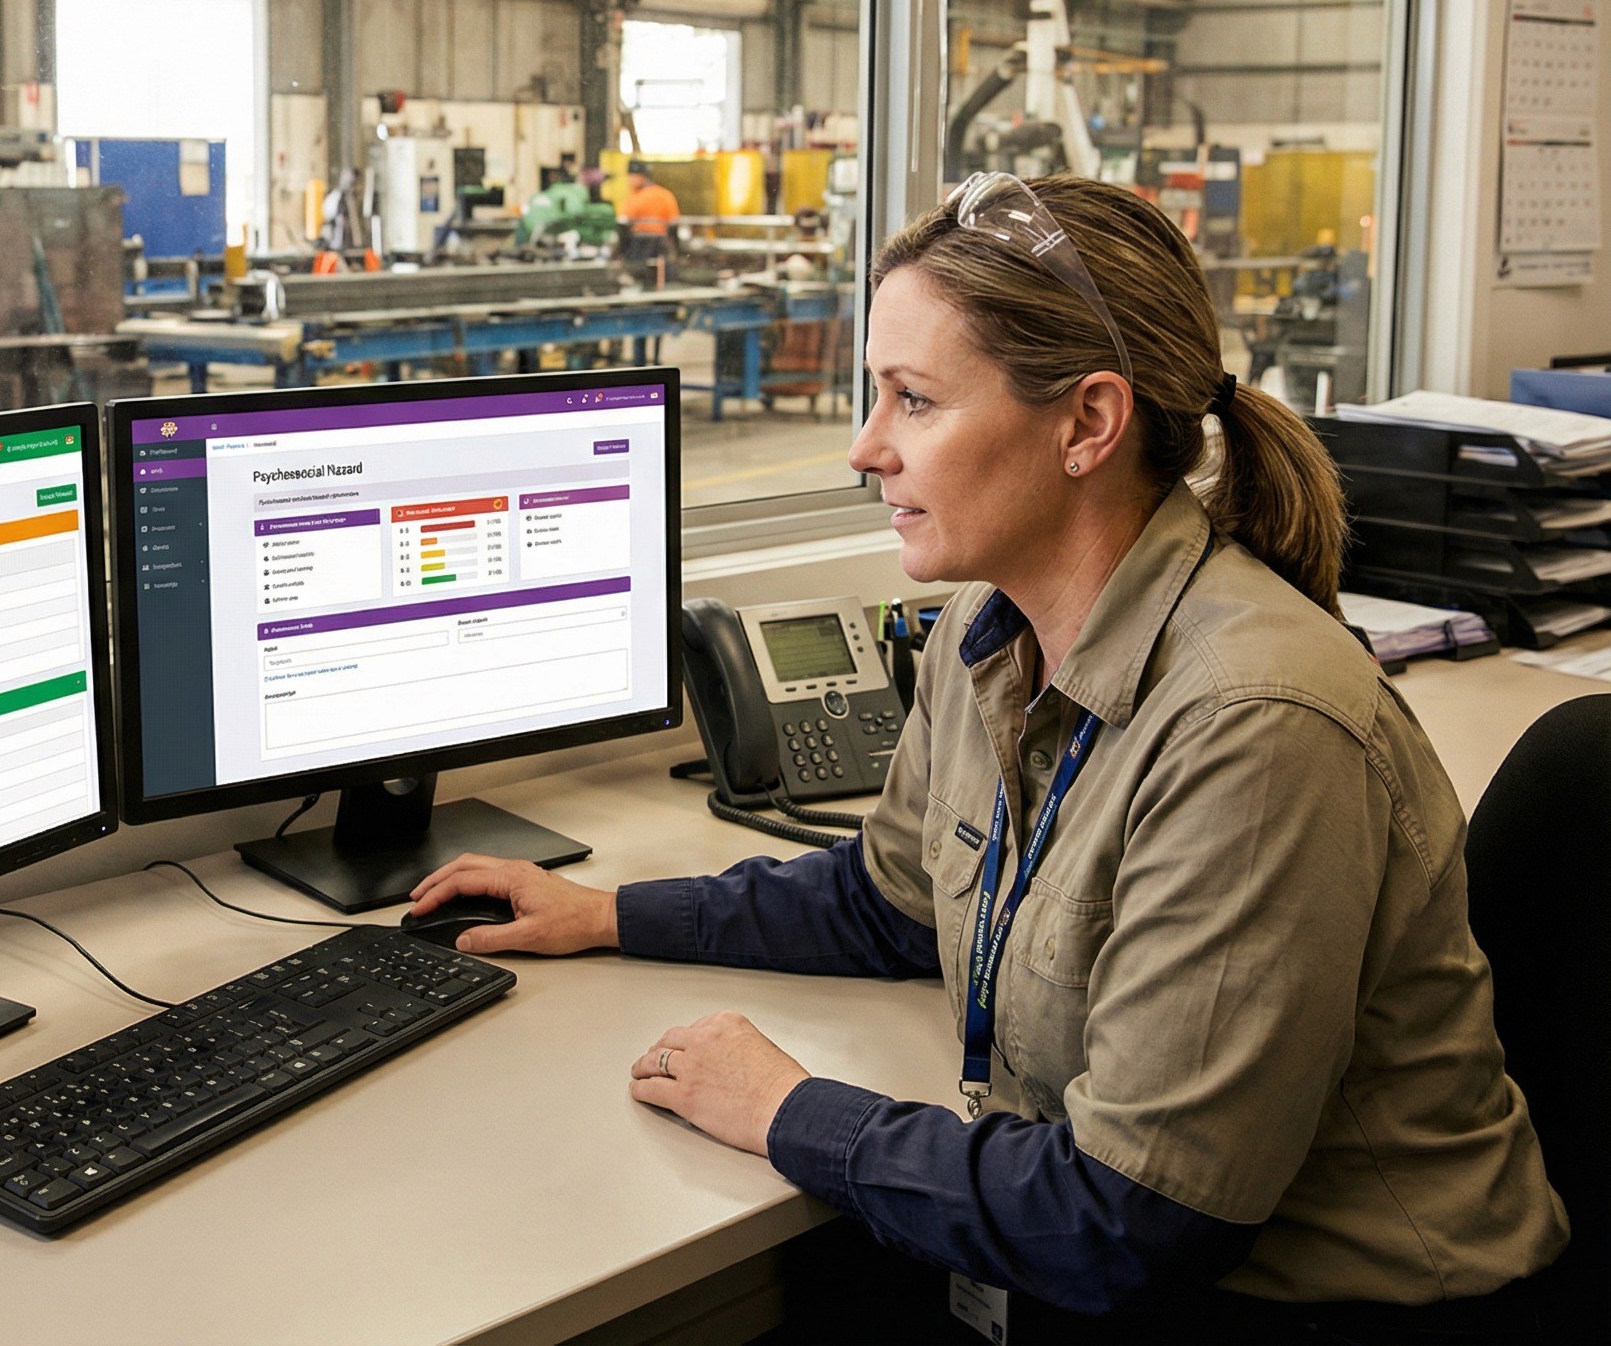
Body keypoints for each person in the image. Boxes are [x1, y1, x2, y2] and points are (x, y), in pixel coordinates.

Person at [412, 173, 1567, 1336]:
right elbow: (888, 902)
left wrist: (790, 1108)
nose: (868, 448)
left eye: (914, 400)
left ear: (1088, 424)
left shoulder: (1252, 724)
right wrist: (607, 912)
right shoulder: (994, 628)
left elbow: (1135, 1215)